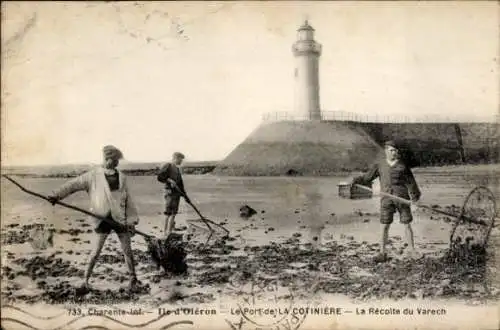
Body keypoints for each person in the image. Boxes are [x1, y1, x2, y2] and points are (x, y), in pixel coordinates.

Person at [48, 145, 143, 293]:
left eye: (117, 160)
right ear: (106, 158)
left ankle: (133, 280)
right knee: (96, 251)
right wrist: (57, 195)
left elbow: (128, 200)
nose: (116, 163)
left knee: (127, 251)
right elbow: (73, 185)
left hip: (120, 219)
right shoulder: (93, 176)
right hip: (101, 218)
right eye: (114, 160)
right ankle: (85, 281)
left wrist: (132, 221)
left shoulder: (122, 177)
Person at [352, 140, 422, 262]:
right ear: (386, 151)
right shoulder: (380, 165)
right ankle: (382, 253)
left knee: (407, 224)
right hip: (386, 199)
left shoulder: (402, 166)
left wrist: (415, 197)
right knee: (384, 225)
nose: (394, 153)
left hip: (402, 198)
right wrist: (355, 180)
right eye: (391, 150)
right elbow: (367, 177)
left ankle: (411, 251)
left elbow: (411, 183)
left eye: (396, 150)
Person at [157, 152, 191, 238]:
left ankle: (169, 232)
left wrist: (186, 197)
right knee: (168, 213)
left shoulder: (177, 170)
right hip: (169, 193)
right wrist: (169, 180)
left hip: (176, 194)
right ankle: (165, 233)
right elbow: (160, 177)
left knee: (173, 214)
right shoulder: (168, 165)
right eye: (180, 159)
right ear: (175, 158)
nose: (181, 161)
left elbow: (181, 185)